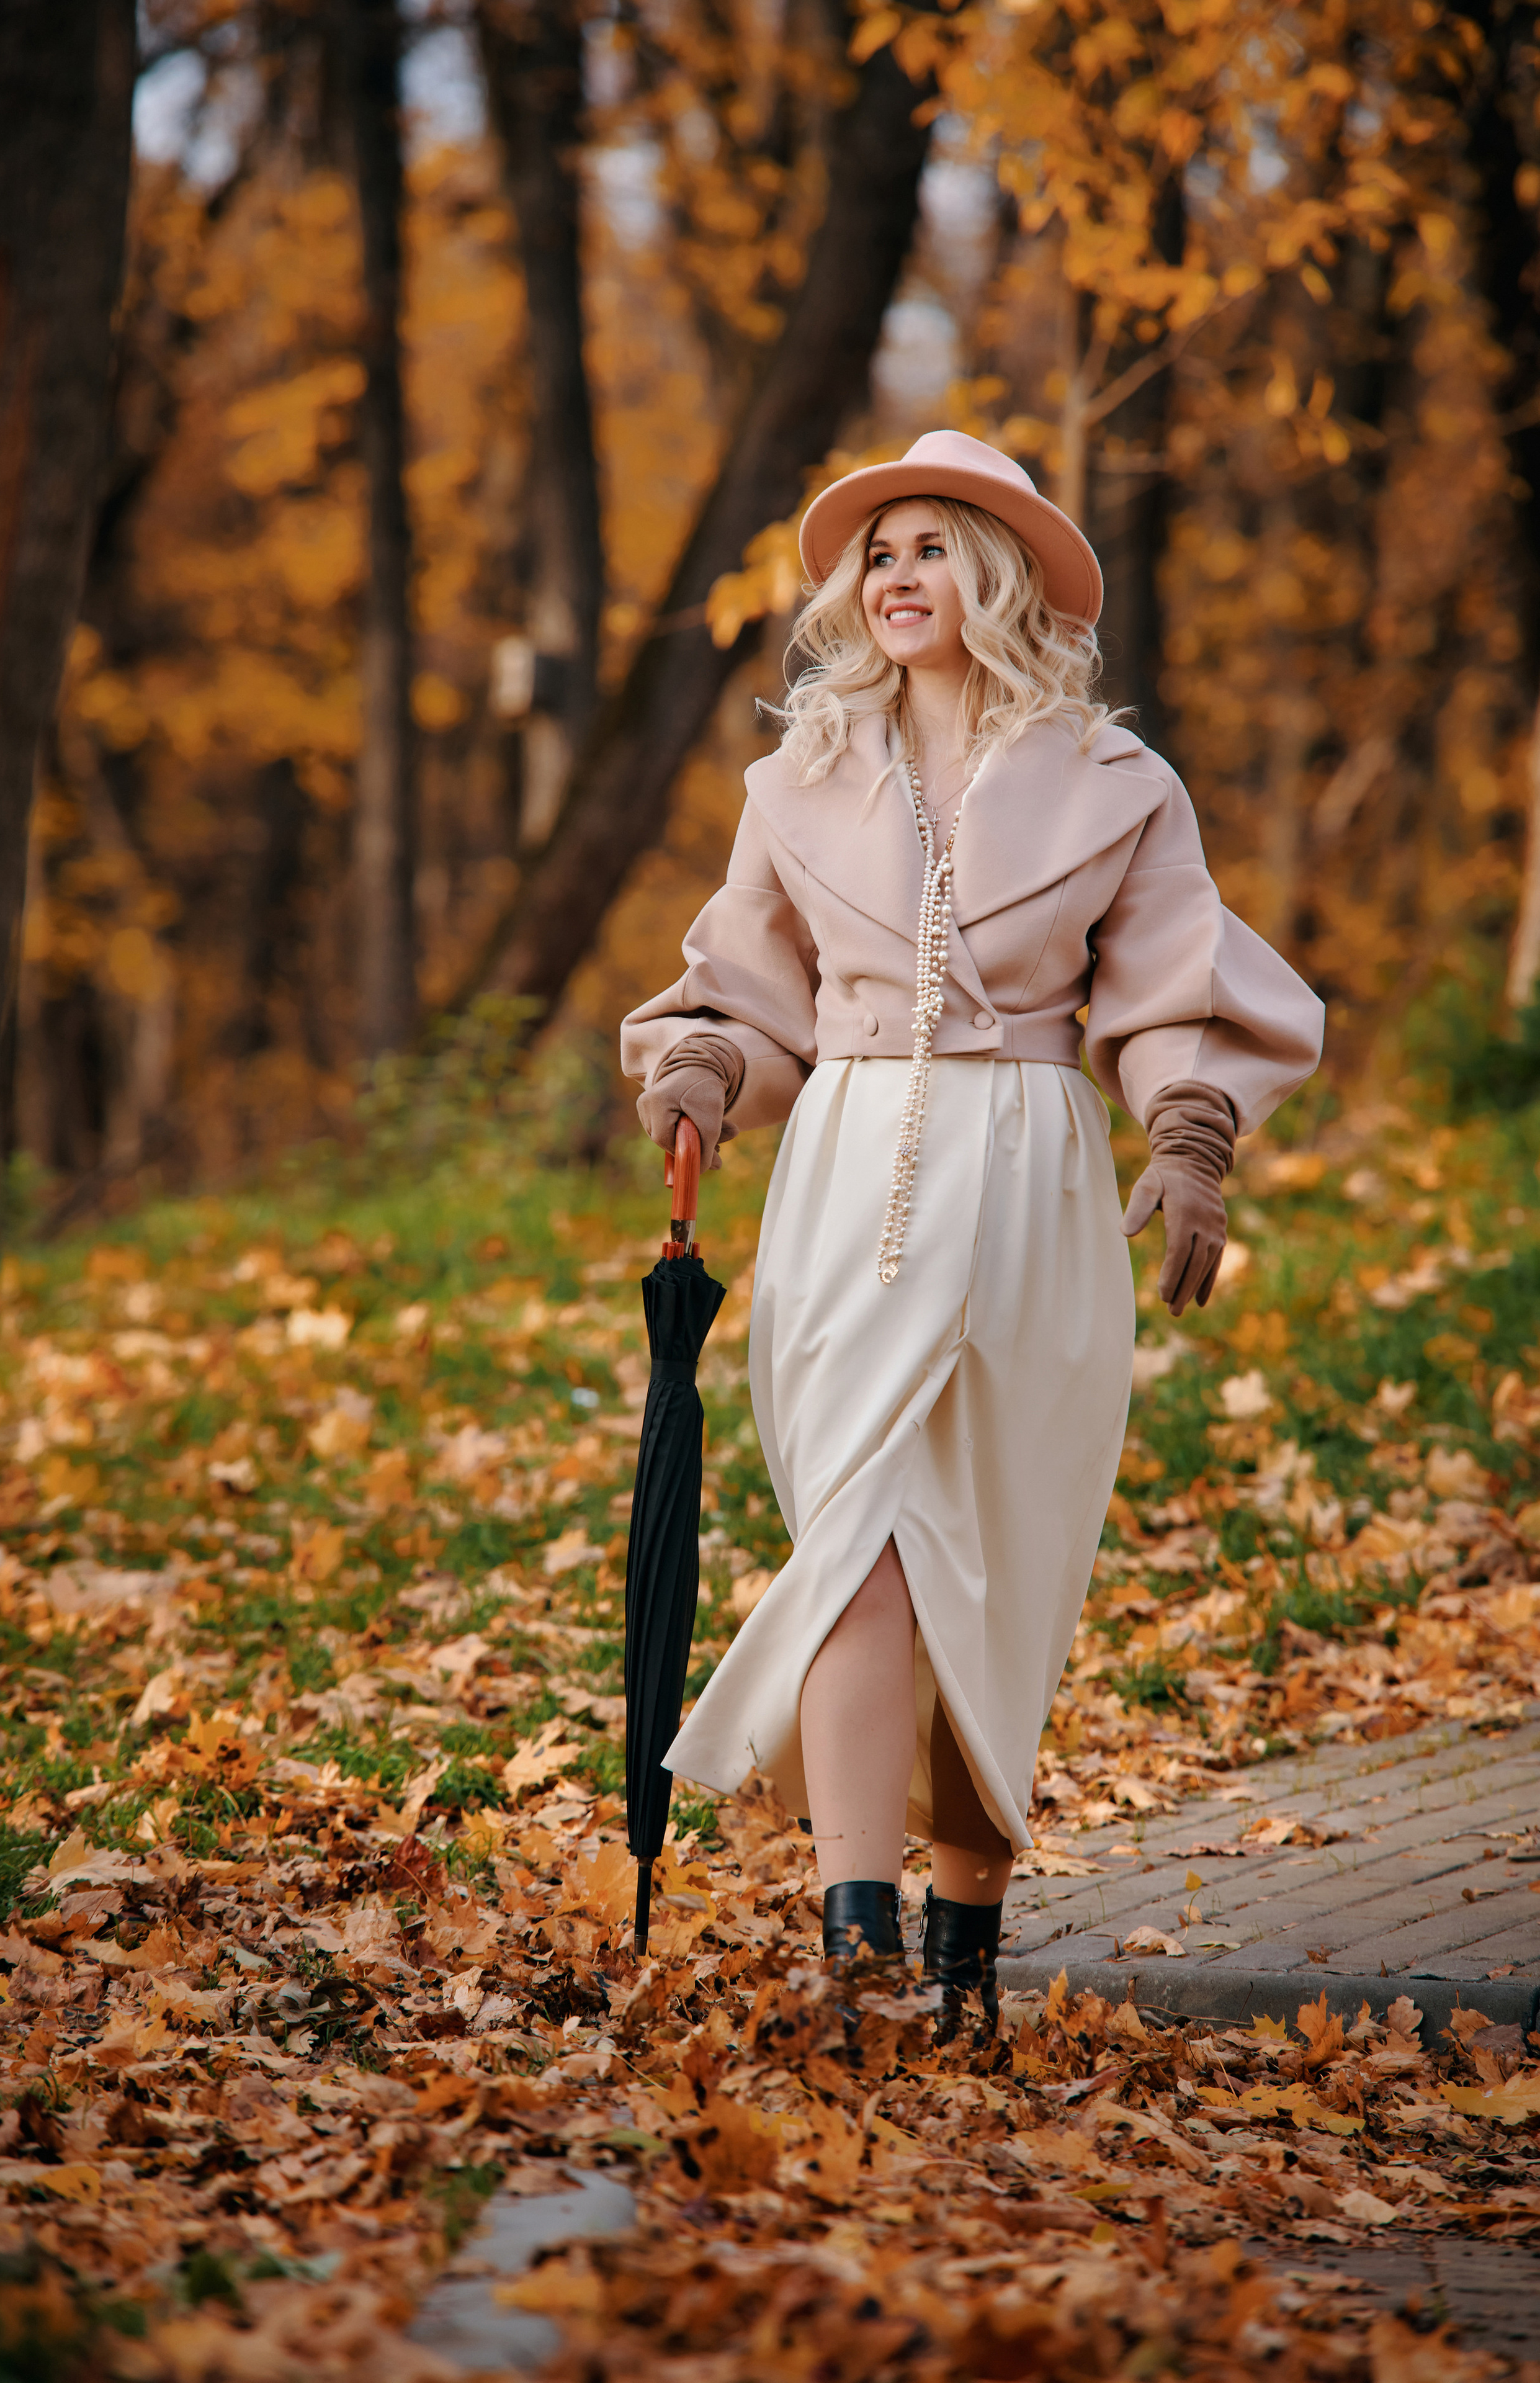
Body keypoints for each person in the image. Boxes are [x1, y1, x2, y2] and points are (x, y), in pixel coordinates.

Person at [621, 429, 1323, 2035]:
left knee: (995, 1572)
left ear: (996, 579)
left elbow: (1168, 987)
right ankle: (854, 1925)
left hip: (1031, 1187)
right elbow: (750, 991)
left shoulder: (1120, 787)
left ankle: (965, 1943)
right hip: (852, 1181)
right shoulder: (790, 786)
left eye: (932, 547)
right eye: (877, 553)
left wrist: (1195, 1139)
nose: (896, 577)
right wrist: (709, 1070)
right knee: (860, 1530)